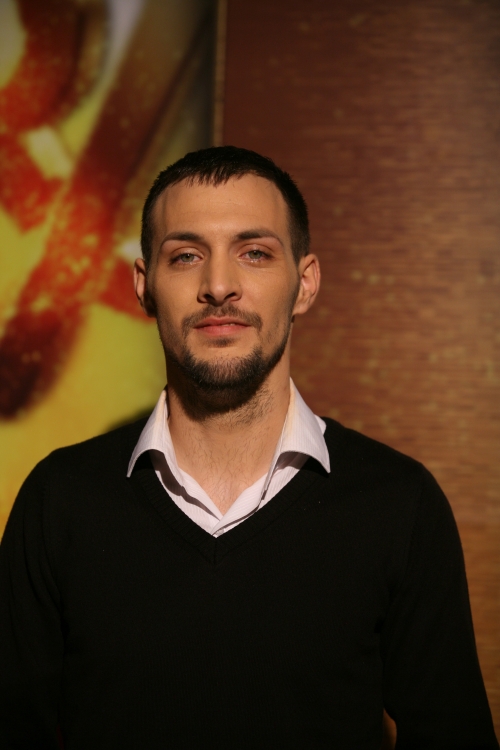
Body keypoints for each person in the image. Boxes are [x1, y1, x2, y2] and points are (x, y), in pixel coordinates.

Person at [0, 146, 497, 750]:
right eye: (186, 256)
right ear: (144, 286)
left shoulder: (399, 504)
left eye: (254, 253)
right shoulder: (60, 500)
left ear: (304, 284)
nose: (219, 286)